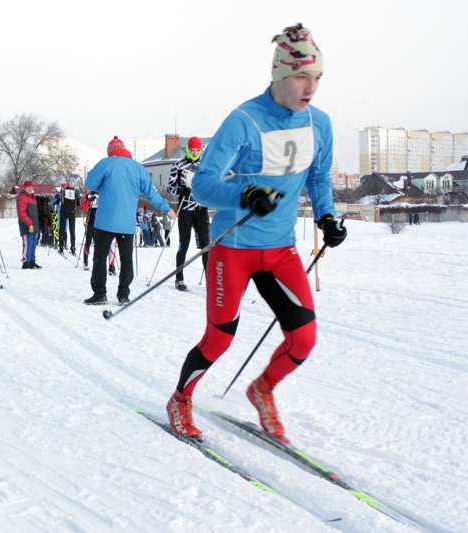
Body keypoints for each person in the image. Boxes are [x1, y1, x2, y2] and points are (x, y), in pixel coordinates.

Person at [166, 23, 347, 443]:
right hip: (234, 247)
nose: (311, 88)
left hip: (280, 250)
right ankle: (180, 398)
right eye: (302, 76)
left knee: (303, 338)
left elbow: (319, 177)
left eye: (317, 77)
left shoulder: (319, 123)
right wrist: (245, 193)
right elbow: (202, 184)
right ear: (280, 75)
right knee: (219, 339)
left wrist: (327, 218)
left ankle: (262, 389)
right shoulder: (244, 120)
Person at [84, 136, 175, 306]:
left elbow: (90, 183)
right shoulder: (138, 168)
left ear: (111, 151)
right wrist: (167, 209)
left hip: (105, 222)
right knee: (126, 259)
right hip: (126, 224)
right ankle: (123, 294)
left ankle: (100, 293)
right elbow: (151, 193)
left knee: (100, 258)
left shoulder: (106, 163)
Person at [167, 136, 210, 291]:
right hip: (185, 209)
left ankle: (209, 279)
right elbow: (170, 188)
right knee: (183, 244)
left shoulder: (205, 165)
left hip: (201, 210)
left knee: (206, 245)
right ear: (187, 149)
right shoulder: (178, 165)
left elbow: (211, 184)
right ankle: (179, 278)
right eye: (192, 150)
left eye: (198, 150)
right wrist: (181, 190)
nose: (195, 153)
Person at [17, 180, 42, 269]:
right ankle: (26, 262)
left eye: (31, 187)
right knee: (27, 244)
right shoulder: (22, 197)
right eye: (28, 187)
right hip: (26, 225)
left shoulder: (32, 198)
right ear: (24, 188)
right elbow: (21, 213)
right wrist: (29, 224)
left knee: (33, 244)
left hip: (33, 224)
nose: (30, 189)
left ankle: (32, 261)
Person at [58, 177, 81, 255]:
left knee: (72, 230)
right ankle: (61, 246)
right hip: (63, 212)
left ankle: (73, 247)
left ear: (74, 183)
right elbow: (59, 201)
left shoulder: (75, 191)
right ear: (68, 183)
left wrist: (78, 198)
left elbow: (78, 204)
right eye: (70, 182)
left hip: (71, 212)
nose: (71, 183)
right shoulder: (64, 190)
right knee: (62, 229)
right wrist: (60, 195)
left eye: (73, 182)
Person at [81, 190, 99, 270]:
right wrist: (89, 200)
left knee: (98, 243)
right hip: (91, 219)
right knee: (88, 240)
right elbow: (83, 208)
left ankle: (97, 262)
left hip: (100, 220)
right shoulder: (88, 194)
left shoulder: (102, 192)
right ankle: (85, 261)